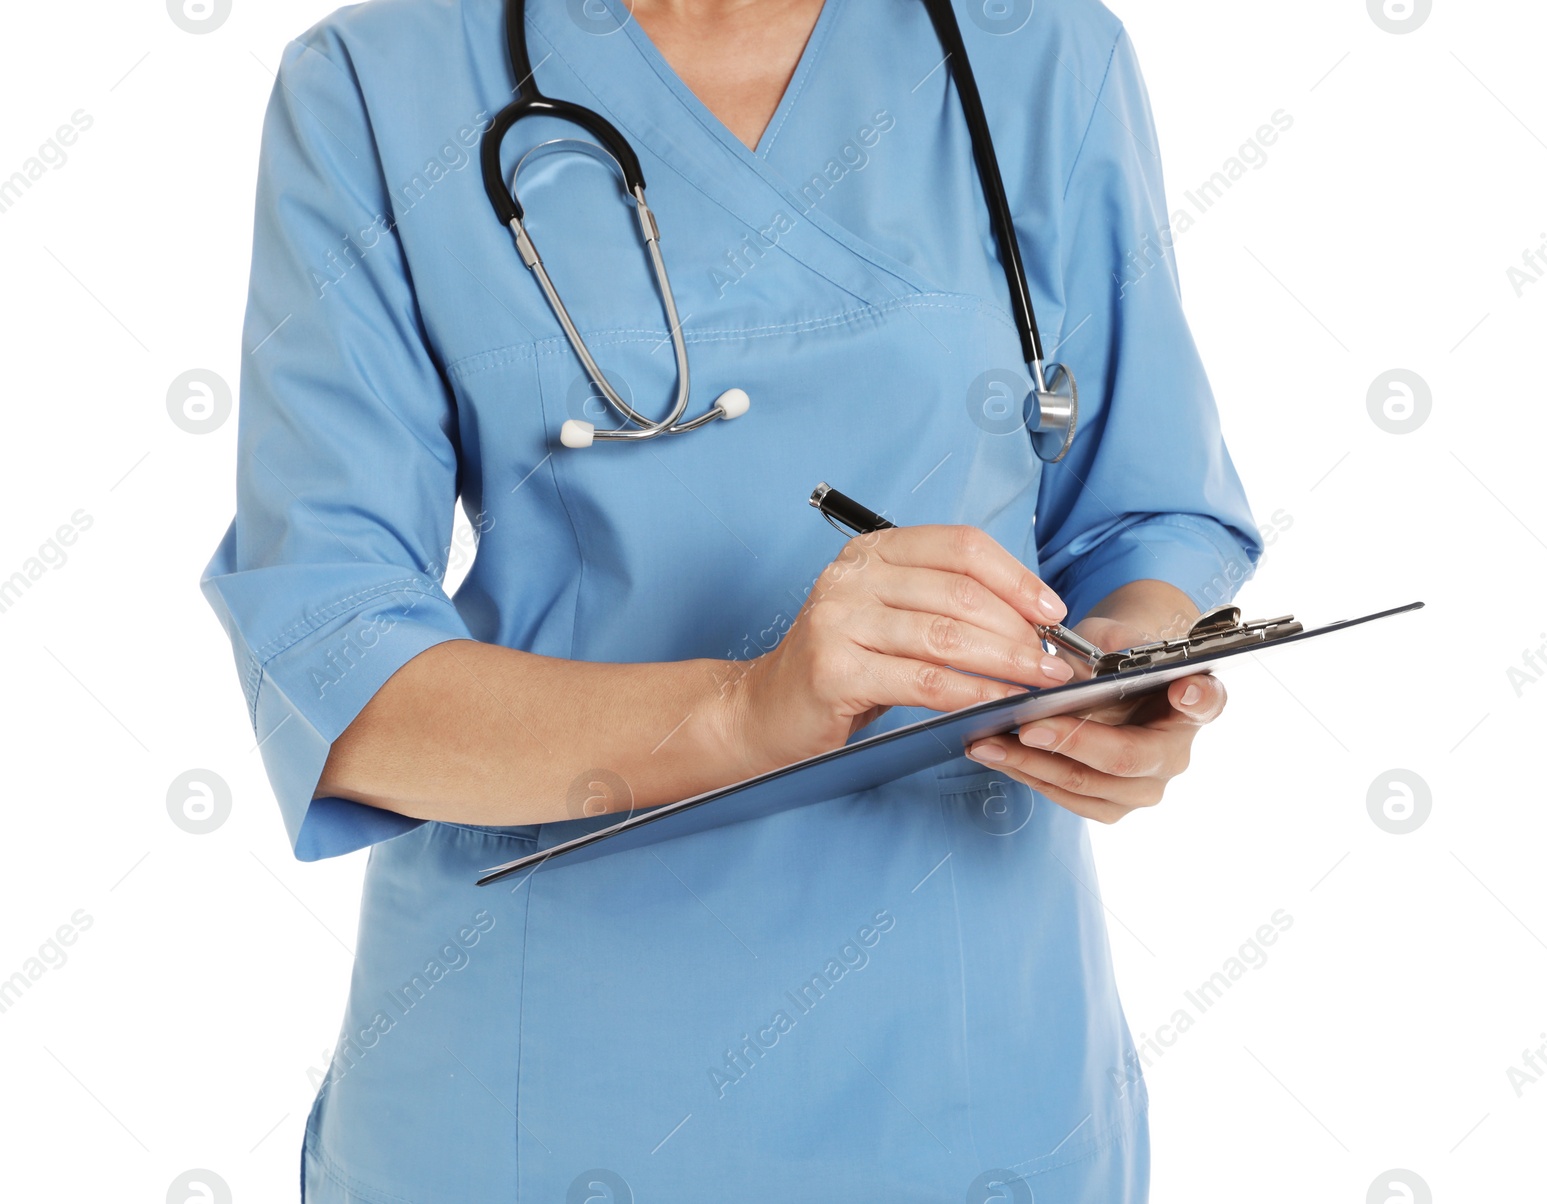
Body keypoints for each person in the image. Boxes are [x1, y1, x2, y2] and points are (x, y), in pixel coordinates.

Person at [200, 0, 1261, 1199]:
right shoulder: (374, 85)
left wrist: (1122, 670)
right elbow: (339, 673)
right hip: (539, 1091)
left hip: (971, 1075)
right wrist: (746, 711)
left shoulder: (1039, 52)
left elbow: (1145, 515)